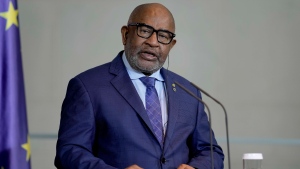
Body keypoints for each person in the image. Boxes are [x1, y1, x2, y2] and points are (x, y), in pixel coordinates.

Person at [55, 3, 224, 169]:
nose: (153, 42)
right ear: (125, 34)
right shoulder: (88, 86)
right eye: (144, 31)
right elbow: (69, 151)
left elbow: (210, 152)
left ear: (171, 45)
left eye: (163, 36)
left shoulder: (188, 92)